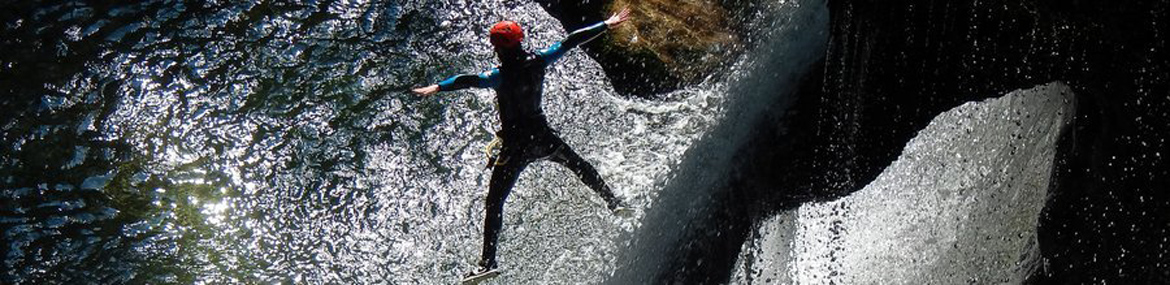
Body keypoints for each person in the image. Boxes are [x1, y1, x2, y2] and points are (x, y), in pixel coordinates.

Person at [412, 8, 634, 277]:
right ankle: (613, 202)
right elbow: (569, 41)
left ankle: (488, 263)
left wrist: (438, 87)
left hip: (516, 148)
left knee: (495, 203)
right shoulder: (539, 61)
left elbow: (469, 80)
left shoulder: (498, 76)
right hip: (542, 138)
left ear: (497, 48)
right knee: (579, 166)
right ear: (520, 40)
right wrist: (606, 24)